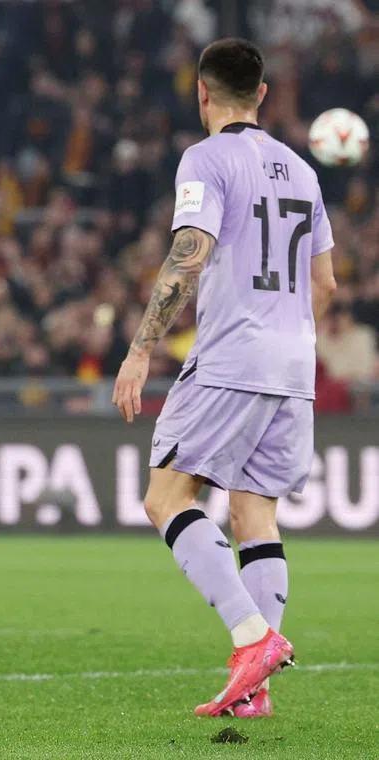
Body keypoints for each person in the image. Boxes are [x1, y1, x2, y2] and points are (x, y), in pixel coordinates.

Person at [112, 38, 337, 717]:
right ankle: (255, 693)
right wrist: (289, 333)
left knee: (166, 498)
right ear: (262, 94)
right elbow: (324, 282)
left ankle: (251, 638)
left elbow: (190, 254)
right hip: (293, 361)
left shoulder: (205, 160)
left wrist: (141, 349)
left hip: (233, 358)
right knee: (253, 513)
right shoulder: (302, 170)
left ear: (202, 93)